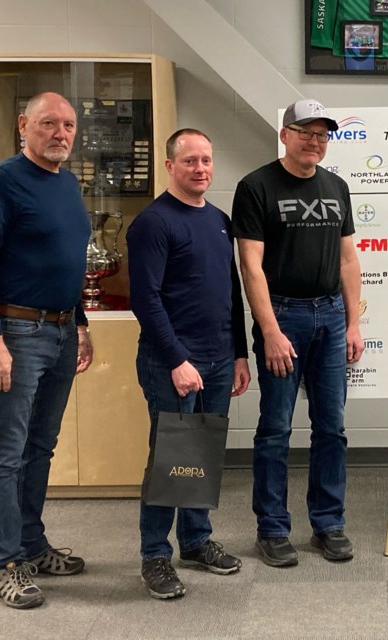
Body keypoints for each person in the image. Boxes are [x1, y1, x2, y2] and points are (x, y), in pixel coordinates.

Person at [0, 91, 95, 609]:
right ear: (24, 125)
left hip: (61, 331)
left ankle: (31, 545)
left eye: (67, 125)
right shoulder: (1, 181)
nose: (60, 133)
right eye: (48, 124)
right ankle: (4, 563)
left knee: (40, 447)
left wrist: (79, 323)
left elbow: (67, 261)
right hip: (16, 334)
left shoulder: (67, 183)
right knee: (5, 451)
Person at [232, 99, 363, 567]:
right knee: (275, 428)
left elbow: (348, 260)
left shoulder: (337, 187)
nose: (314, 141)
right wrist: (268, 330)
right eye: (305, 131)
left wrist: (352, 322)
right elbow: (251, 266)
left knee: (332, 427)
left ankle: (328, 523)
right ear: (284, 134)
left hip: (330, 317)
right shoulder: (256, 187)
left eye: (322, 134)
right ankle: (272, 528)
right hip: (283, 315)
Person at [127, 129, 251, 599]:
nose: (200, 168)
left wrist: (239, 353)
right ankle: (154, 555)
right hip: (172, 363)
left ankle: (196, 541)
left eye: (206, 160)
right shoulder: (153, 223)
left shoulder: (219, 220)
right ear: (169, 166)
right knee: (170, 458)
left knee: (200, 453)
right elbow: (146, 300)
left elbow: (230, 295)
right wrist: (178, 359)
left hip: (219, 360)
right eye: (190, 161)